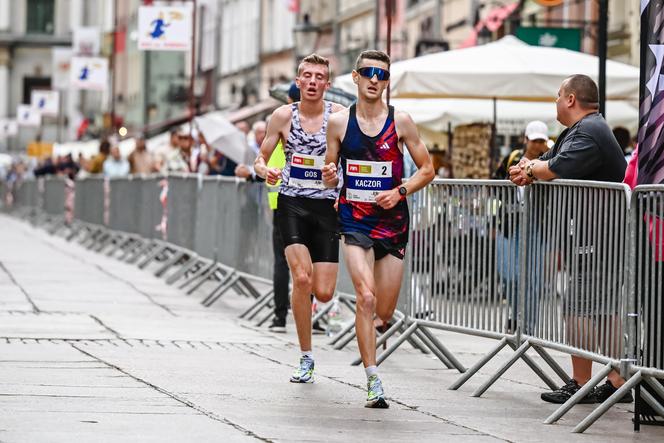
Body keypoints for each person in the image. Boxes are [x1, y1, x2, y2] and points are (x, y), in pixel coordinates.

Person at [322, 50, 435, 408]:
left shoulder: (401, 122)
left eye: (382, 75)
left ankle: (373, 333)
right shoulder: (339, 123)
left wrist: (399, 191)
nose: (375, 79)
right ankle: (373, 381)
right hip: (354, 220)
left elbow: (427, 169)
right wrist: (328, 176)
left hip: (392, 223)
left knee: (383, 311)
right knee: (365, 298)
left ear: (387, 82)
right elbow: (329, 172)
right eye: (368, 73)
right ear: (355, 77)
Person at [509, 74, 629, 404]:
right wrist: (531, 168)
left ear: (572, 99)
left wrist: (530, 170)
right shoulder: (582, 130)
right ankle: (619, 380)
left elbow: (558, 166)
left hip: (598, 234)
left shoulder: (590, 130)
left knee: (579, 306)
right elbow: (549, 163)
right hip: (597, 232)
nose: (557, 102)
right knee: (602, 310)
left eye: (559, 96)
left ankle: (583, 382)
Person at [254, 54, 345, 383]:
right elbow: (260, 160)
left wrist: (340, 177)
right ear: (297, 81)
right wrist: (268, 171)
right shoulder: (281, 116)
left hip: (326, 208)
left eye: (319, 77)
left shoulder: (339, 117)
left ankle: (311, 309)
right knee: (302, 279)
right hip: (291, 203)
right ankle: (306, 356)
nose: (312, 82)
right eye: (306, 76)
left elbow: (353, 155)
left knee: (322, 292)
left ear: (327, 84)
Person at [493, 121, 550, 333]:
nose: (536, 145)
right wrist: (500, 214)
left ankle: (528, 326)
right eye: (533, 140)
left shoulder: (549, 161)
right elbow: (495, 184)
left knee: (533, 279)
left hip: (537, 224)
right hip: (509, 224)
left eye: (540, 141)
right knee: (510, 275)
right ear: (525, 139)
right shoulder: (511, 158)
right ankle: (514, 315)